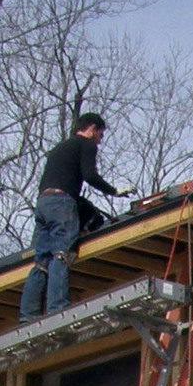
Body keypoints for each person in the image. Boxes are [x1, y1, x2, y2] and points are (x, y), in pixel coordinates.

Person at [21, 113, 131, 320]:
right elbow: (89, 175)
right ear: (91, 129)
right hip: (62, 202)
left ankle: (28, 315)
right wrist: (114, 191)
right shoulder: (87, 145)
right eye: (100, 134)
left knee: (41, 261)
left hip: (43, 203)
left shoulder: (59, 149)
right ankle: (57, 310)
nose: (100, 139)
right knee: (61, 254)